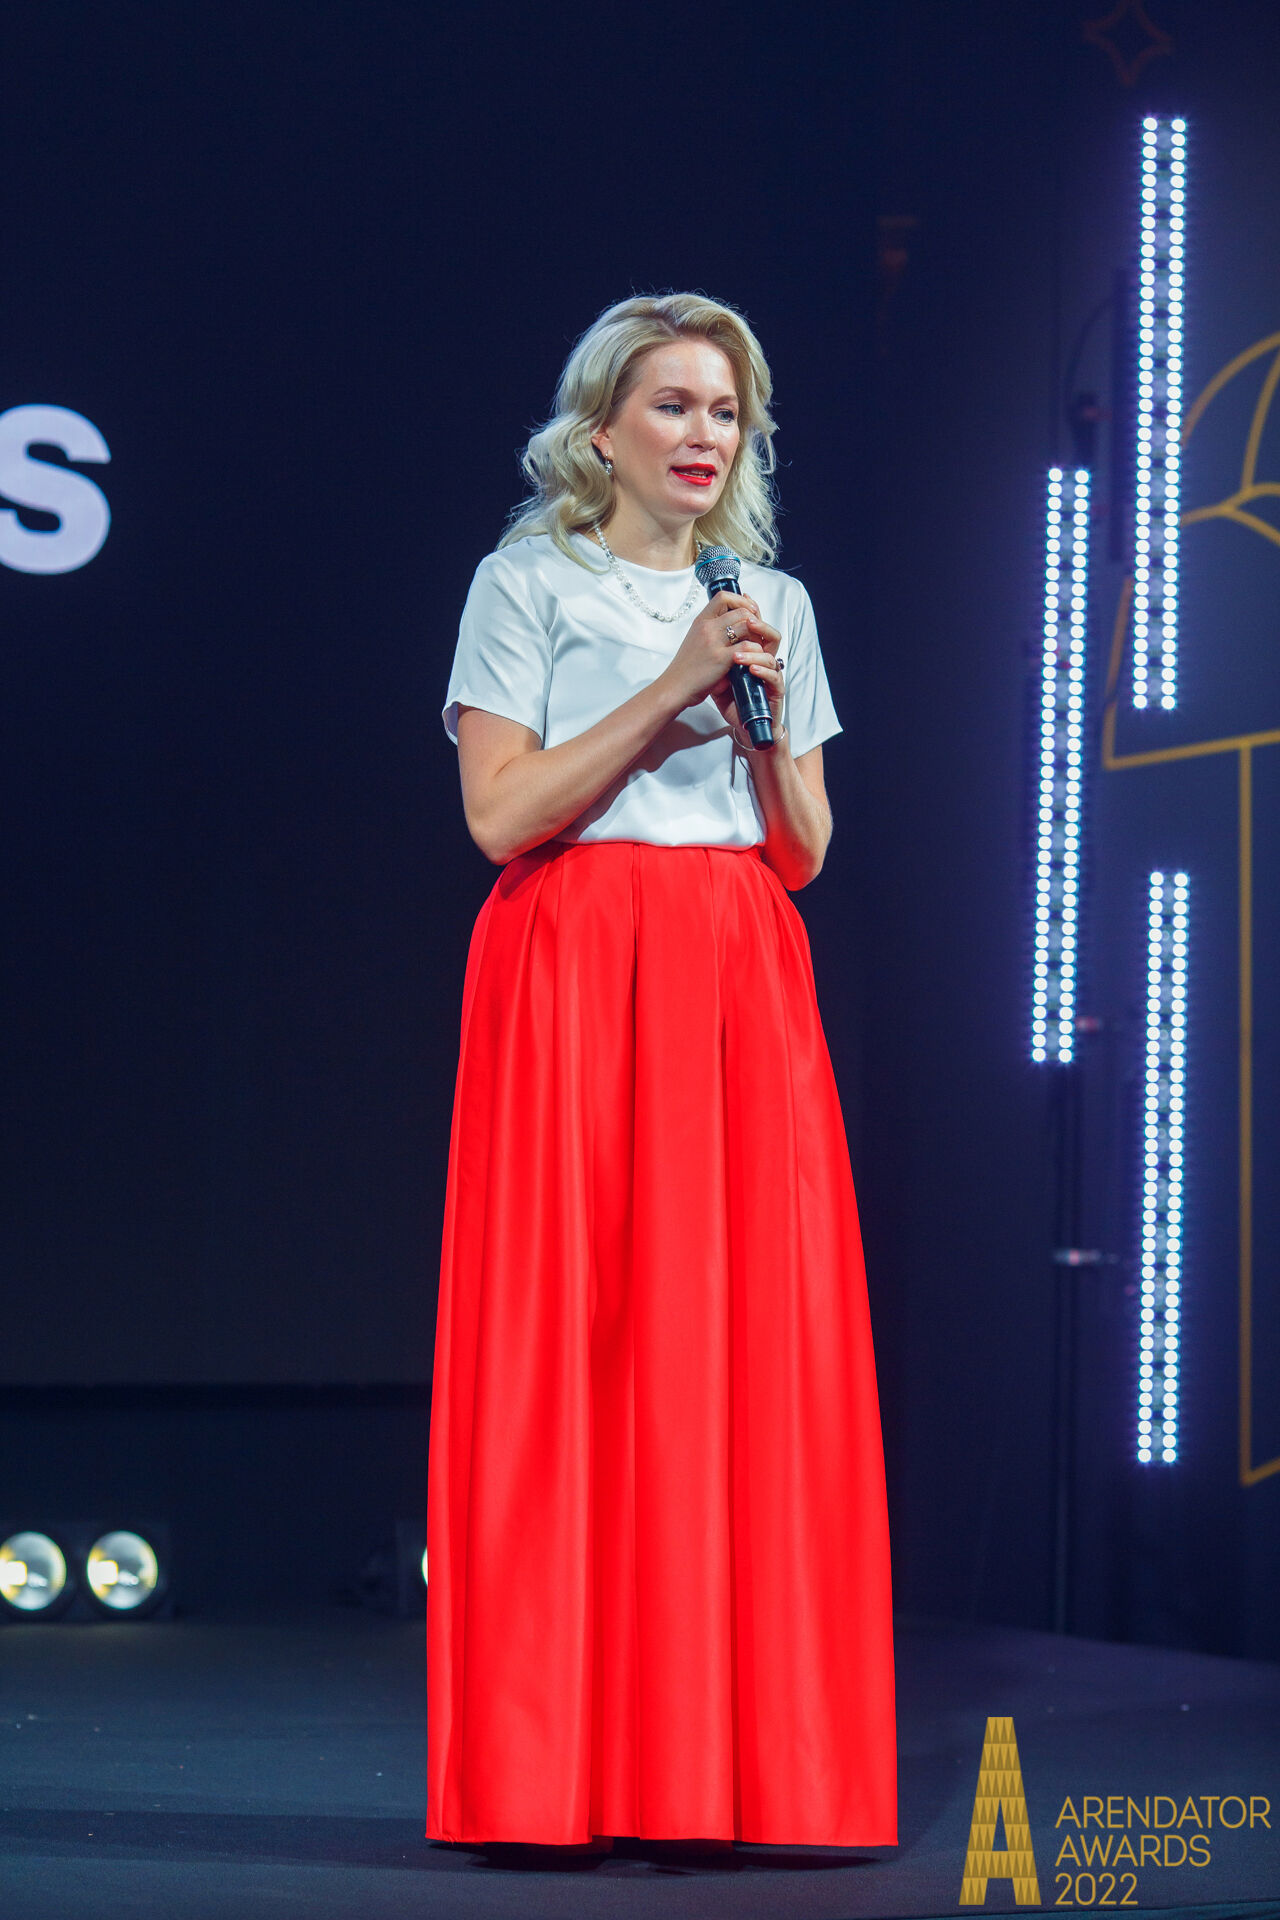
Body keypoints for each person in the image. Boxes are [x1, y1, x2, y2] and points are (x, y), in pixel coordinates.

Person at [425, 292, 897, 1855]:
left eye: (727, 412)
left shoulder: (773, 600)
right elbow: (502, 817)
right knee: (574, 1344)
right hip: (574, 964)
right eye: (676, 405)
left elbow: (804, 849)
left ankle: (730, 1770)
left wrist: (754, 718)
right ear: (603, 429)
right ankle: (549, 1774)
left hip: (736, 972)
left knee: (743, 1350)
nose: (706, 436)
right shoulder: (526, 581)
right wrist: (672, 685)